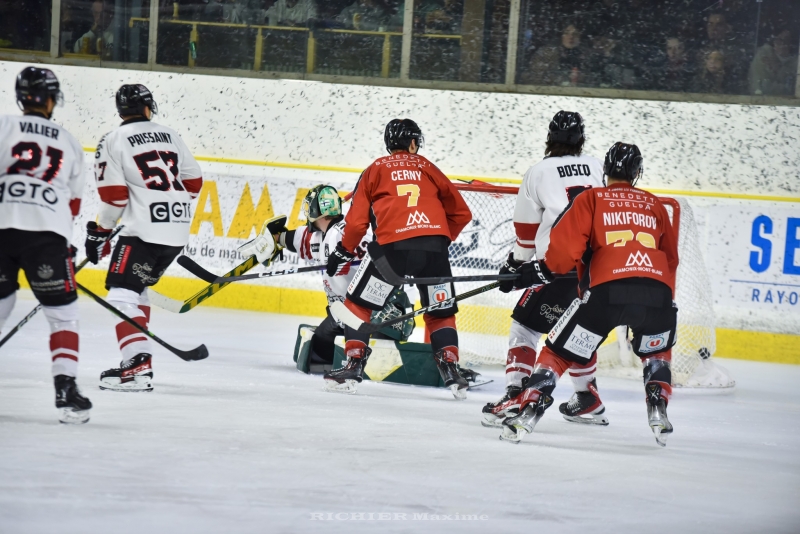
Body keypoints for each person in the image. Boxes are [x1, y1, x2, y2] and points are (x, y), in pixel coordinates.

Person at [499, 142, 679, 447]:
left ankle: (528, 412)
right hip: (657, 293)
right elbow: (670, 259)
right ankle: (658, 406)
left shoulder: (592, 198)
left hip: (606, 293)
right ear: (637, 173)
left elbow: (565, 251)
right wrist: (663, 300)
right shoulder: (654, 204)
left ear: (605, 171)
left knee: (557, 352)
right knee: (657, 352)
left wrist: (542, 270)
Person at [325, 119, 473, 398]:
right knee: (439, 312)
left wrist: (342, 253)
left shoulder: (376, 169)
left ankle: (354, 365)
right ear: (414, 143)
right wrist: (436, 242)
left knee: (356, 304)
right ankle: (451, 370)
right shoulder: (428, 167)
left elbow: (356, 224)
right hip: (434, 252)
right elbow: (462, 214)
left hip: (391, 252)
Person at [481, 111, 607, 428]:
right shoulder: (598, 167)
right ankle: (587, 397)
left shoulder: (539, 171)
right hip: (600, 271)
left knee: (525, 327)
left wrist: (513, 267)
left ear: (549, 139)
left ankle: (515, 395)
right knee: (575, 331)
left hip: (559, 266)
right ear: (582, 140)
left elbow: (526, 236)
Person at [85, 84, 203, 392]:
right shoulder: (170, 134)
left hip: (144, 231)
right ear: (148, 108)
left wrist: (101, 232)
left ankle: (137, 363)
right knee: (136, 291)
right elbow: (194, 180)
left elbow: (113, 196)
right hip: (176, 227)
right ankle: (137, 363)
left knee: (121, 295)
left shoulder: (112, 139)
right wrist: (167, 205)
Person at [0, 67, 91, 423]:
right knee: (63, 315)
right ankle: (66, 391)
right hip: (46, 236)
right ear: (52, 99)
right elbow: (72, 204)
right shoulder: (68, 141)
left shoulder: (4, 126)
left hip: (1, 228)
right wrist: (63, 243)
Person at [749, 30, 798, 96]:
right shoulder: (763, 56)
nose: (783, 44)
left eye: (787, 41)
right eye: (779, 40)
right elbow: (760, 88)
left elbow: (791, 91)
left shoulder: (797, 63)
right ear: (773, 42)